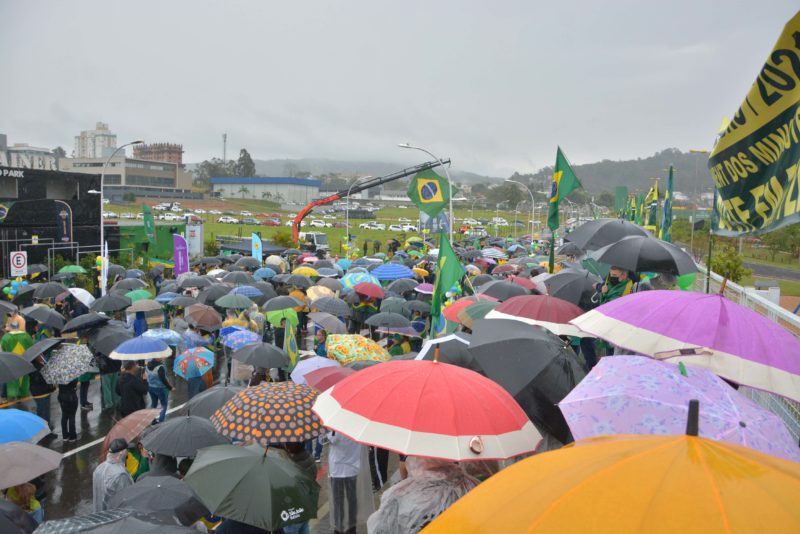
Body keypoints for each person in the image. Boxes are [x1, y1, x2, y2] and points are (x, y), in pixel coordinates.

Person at [328, 430, 361, 534]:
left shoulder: (335, 427)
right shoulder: (358, 425)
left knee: (338, 502)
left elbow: (332, 439)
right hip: (353, 467)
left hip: (338, 470)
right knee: (352, 500)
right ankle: (352, 527)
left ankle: (339, 528)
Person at [282, 442, 317, 534]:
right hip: (307, 506)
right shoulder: (309, 457)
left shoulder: (289, 464)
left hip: (293, 512)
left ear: (290, 446)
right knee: (304, 528)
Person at [92, 438, 134, 512]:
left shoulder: (99, 468)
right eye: (127, 450)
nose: (128, 452)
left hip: (100, 514)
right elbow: (127, 499)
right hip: (115, 516)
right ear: (121, 453)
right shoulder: (121, 475)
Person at [29, 355, 55, 433]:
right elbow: (37, 379)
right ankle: (44, 430)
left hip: (43, 391)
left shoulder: (40, 365)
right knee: (43, 411)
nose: (42, 356)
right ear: (36, 357)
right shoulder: (35, 367)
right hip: (40, 392)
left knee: (45, 410)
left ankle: (46, 427)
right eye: (40, 355)